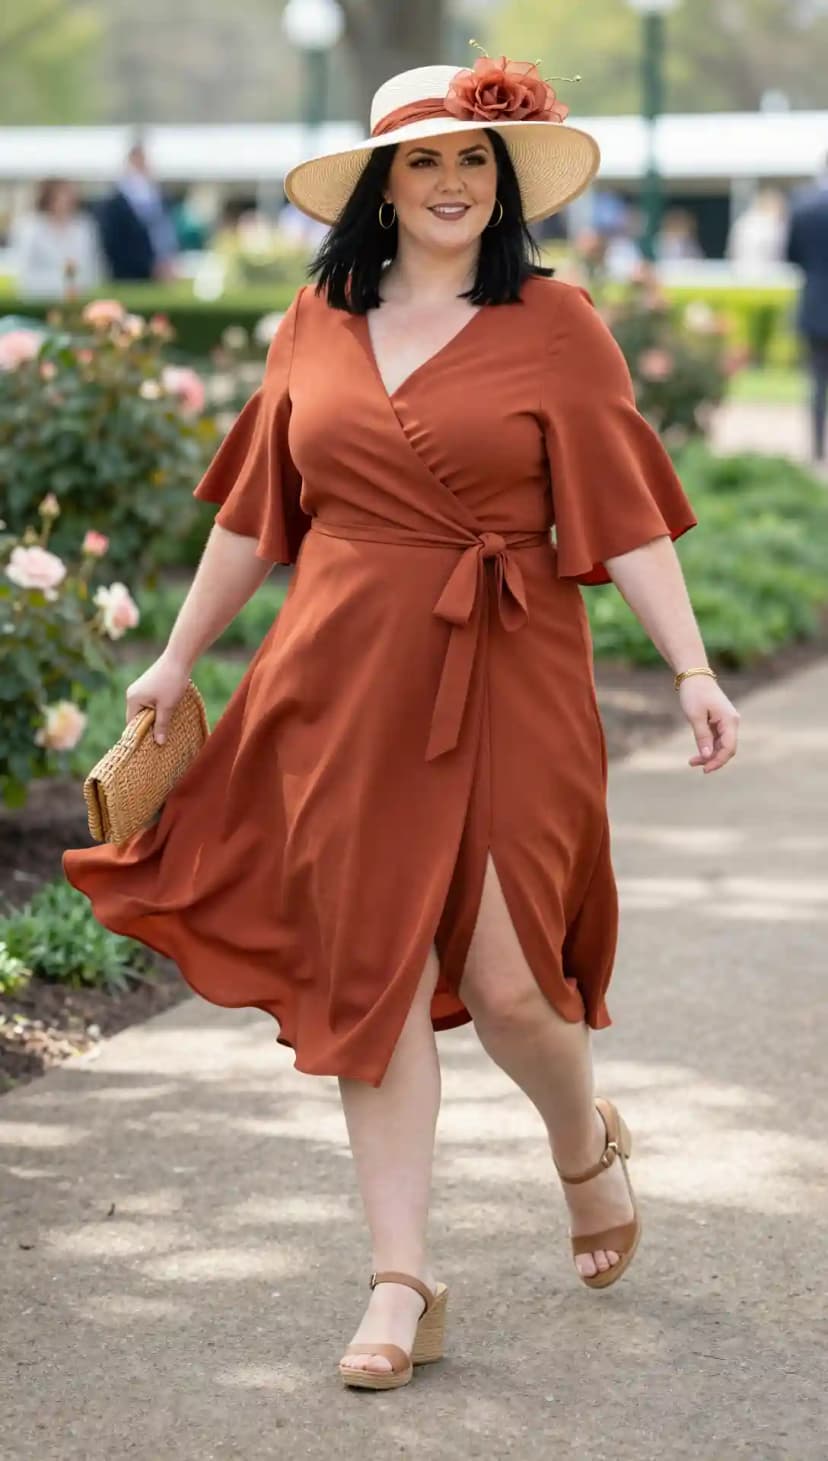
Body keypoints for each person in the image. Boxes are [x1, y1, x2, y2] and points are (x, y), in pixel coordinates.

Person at [63, 57, 740, 1391]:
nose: (450, 183)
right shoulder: (316, 318)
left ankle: (579, 1141)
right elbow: (259, 514)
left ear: (505, 184)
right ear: (380, 183)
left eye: (474, 160)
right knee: (365, 971)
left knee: (508, 986)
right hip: (344, 675)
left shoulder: (559, 322)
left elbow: (629, 514)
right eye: (423, 161)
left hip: (512, 661)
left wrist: (698, 670)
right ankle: (400, 1279)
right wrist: (176, 657)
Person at [785, 155, 828, 463]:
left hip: (815, 303)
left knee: (817, 382)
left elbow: (791, 254)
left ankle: (816, 450)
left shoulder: (803, 206)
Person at [97, 142, 178, 281]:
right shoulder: (116, 202)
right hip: (129, 273)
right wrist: (147, 264)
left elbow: (163, 231)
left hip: (157, 270)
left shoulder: (156, 194)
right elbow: (115, 243)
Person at [9, 179, 103, 298]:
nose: (67, 201)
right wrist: (62, 286)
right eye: (62, 196)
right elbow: (23, 273)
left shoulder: (84, 225)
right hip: (39, 299)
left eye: (71, 196)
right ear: (48, 198)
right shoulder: (30, 227)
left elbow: (94, 267)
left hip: (78, 299)